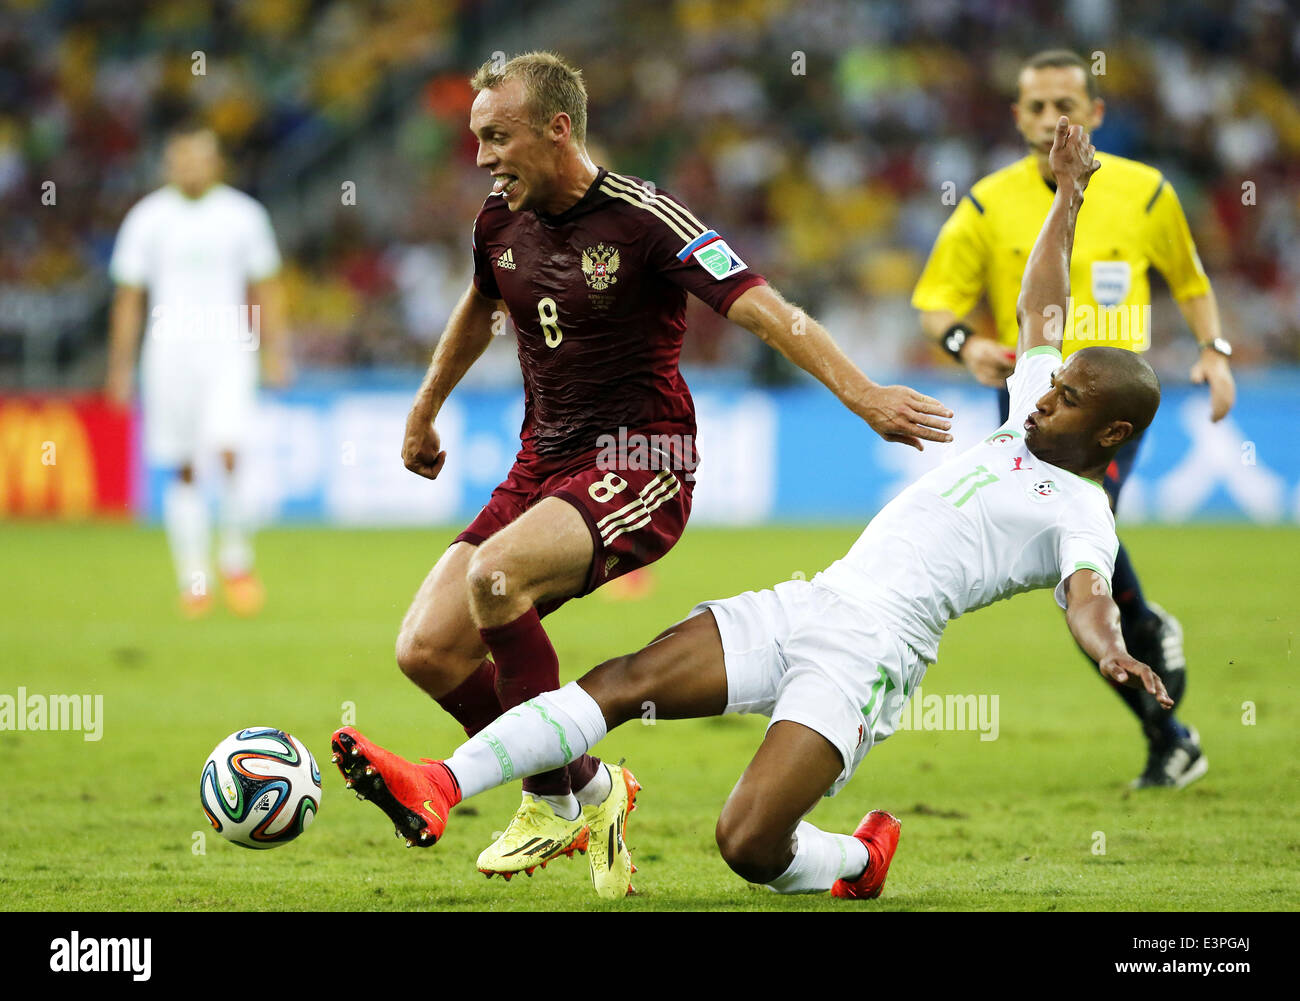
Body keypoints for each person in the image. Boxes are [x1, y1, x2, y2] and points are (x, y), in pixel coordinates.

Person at [332, 119, 1173, 900]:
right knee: (621, 682)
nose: (1040, 398)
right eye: (1053, 382)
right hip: (811, 600)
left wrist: (1110, 653)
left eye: (1064, 400)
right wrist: (1068, 195)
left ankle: (857, 856)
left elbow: (1091, 594)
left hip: (874, 654)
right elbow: (1042, 306)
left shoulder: (1082, 512)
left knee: (747, 843)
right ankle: (442, 782)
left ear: (1113, 431)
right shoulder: (1031, 395)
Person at [385, 51, 954, 898]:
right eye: (475, 139)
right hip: (542, 458)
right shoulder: (497, 221)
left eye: (496, 137)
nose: (482, 158)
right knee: (426, 648)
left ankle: (551, 801)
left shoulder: (646, 219)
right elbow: (483, 301)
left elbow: (766, 309)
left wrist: (864, 394)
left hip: (644, 457)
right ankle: (588, 786)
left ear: (557, 128)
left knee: (495, 577)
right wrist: (426, 406)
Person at [912, 49, 1228, 788]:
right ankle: (1155, 669)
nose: (1054, 117)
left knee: (1079, 548)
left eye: (1067, 104)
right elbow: (934, 304)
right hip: (1030, 399)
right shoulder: (987, 204)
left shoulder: (1148, 193)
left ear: (1096, 113)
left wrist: (1215, 351)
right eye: (1037, 105)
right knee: (1078, 558)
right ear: (1017, 116)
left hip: (1112, 411)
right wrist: (969, 344)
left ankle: (1154, 675)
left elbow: (1191, 280)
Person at [106, 125, 290, 618]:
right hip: (167, 354)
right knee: (183, 466)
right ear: (169, 163)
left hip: (229, 348)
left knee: (230, 450)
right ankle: (194, 579)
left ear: (217, 163)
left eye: (199, 157)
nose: (189, 166)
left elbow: (265, 286)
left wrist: (276, 349)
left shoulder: (243, 216)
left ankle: (235, 560)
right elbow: (128, 296)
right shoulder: (147, 218)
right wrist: (120, 367)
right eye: (181, 158)